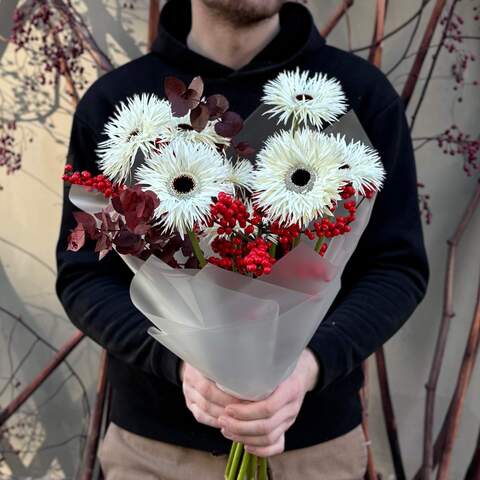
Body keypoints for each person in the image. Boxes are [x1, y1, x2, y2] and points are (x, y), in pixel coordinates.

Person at [56, 0, 429, 478]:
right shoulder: (119, 105)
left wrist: (308, 369)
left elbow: (396, 266)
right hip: (156, 452)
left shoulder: (355, 95)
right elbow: (84, 277)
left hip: (314, 451)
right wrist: (180, 365)